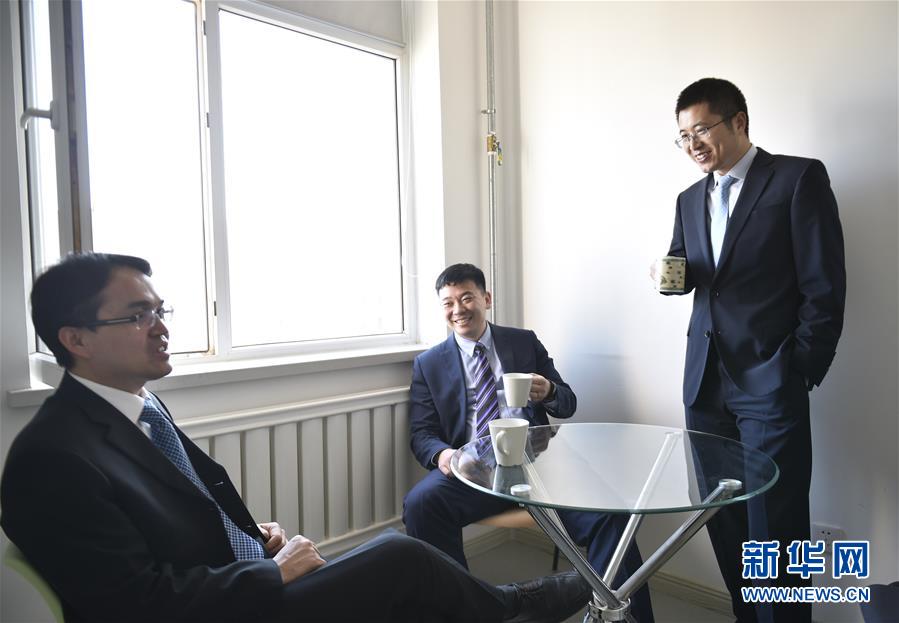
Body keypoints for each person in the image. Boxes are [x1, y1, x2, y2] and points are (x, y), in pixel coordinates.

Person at [0, 252, 591, 623]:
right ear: (75, 339)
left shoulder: (140, 406)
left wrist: (248, 538)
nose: (161, 329)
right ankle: (512, 606)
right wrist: (268, 573)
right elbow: (129, 603)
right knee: (400, 553)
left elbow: (175, 511)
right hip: (231, 606)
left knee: (402, 575)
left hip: (239, 574)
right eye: (137, 316)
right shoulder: (52, 458)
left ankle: (550, 601)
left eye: (161, 311)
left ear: (486, 299)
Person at [660, 78, 846, 622]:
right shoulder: (688, 199)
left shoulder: (796, 178)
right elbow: (693, 271)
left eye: (701, 130)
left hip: (771, 380)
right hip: (704, 384)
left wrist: (799, 369)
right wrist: (669, 275)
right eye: (682, 136)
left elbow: (824, 285)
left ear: (738, 121)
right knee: (723, 517)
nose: (692, 144)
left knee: (777, 526)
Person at [404, 263, 654, 623]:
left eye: (467, 298)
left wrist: (549, 390)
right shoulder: (428, 364)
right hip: (475, 470)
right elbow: (422, 434)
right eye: (448, 303)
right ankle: (462, 613)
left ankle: (630, 618)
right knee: (421, 504)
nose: (458, 309)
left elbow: (567, 403)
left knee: (611, 516)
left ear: (486, 298)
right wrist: (444, 455)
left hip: (542, 464)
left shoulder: (523, 342)